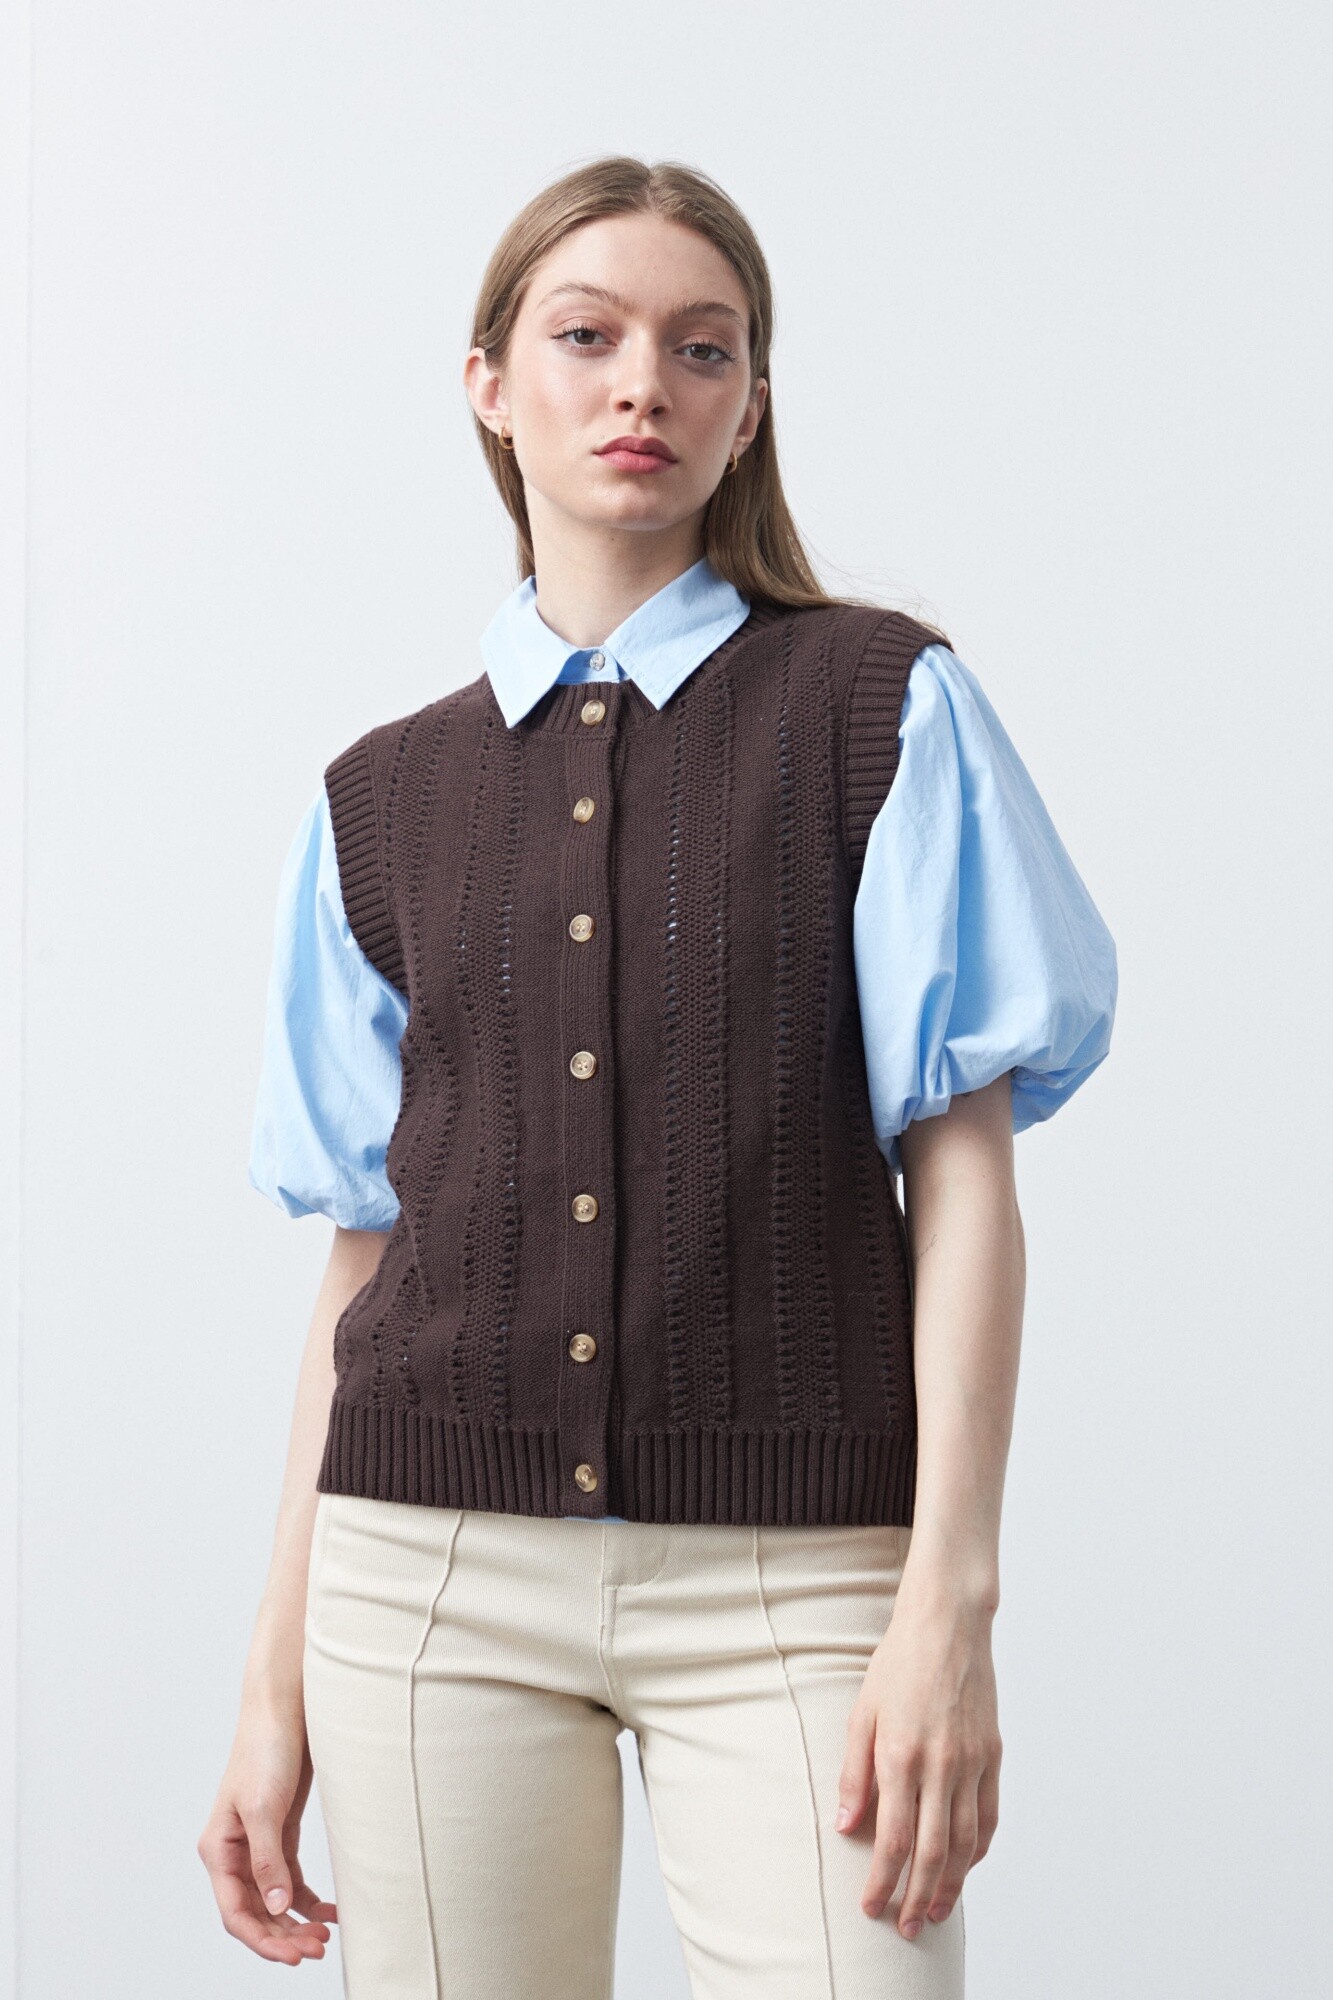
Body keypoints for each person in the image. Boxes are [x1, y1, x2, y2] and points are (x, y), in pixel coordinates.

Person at [198, 155, 1117, 1998]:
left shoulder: (876, 710)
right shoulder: (379, 797)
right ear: (488, 383)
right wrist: (271, 1679)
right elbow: (362, 1259)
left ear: (748, 407)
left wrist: (949, 1598)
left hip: (800, 1579)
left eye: (703, 349)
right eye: (586, 336)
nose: (644, 385)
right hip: (425, 1582)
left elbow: (963, 1179)